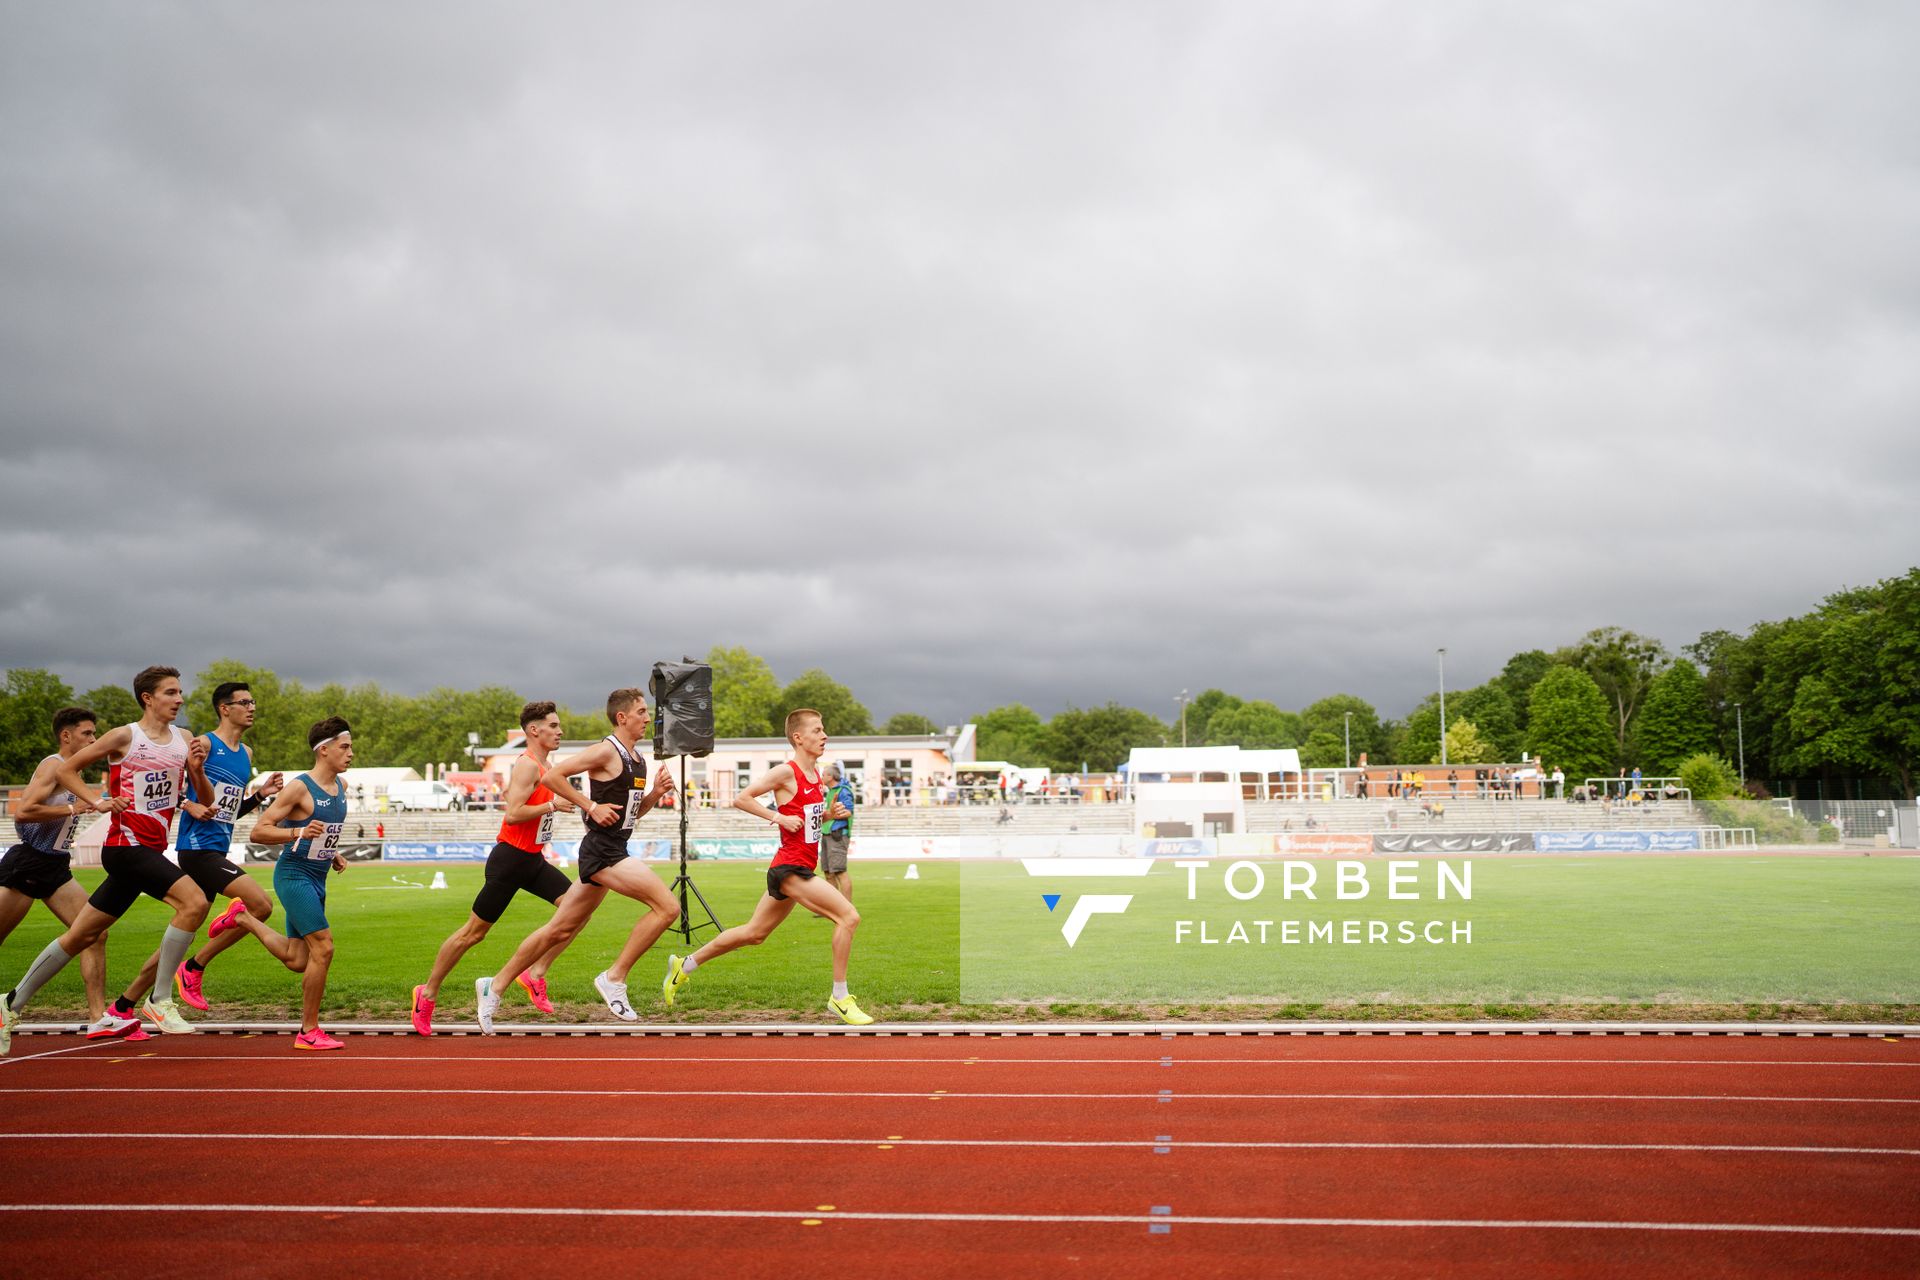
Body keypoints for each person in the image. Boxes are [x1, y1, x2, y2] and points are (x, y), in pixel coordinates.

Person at [0, 666, 210, 1054]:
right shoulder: (122, 737)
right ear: (148, 698)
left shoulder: (184, 739)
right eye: (170, 692)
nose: (179, 699)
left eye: (180, 692)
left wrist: (196, 775)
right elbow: (66, 769)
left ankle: (10, 1002)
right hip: (125, 847)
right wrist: (96, 802)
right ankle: (160, 1000)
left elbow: (206, 798)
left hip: (151, 847)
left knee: (81, 936)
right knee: (194, 901)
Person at [474, 687, 675, 1032]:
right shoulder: (604, 751)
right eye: (641, 712)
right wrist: (590, 805)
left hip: (614, 847)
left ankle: (495, 984)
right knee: (668, 907)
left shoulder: (637, 759)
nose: (647, 718)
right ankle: (614, 978)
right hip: (603, 852)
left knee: (560, 928)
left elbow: (631, 814)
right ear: (622, 717)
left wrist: (655, 793)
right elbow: (553, 776)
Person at [663, 708, 872, 1026]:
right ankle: (840, 997)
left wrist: (829, 816)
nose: (824, 735)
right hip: (790, 869)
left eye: (823, 729)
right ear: (798, 738)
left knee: (754, 933)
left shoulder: (817, 778)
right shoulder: (786, 772)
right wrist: (778, 816)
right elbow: (742, 798)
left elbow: (805, 823)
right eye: (817, 730)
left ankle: (684, 965)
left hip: (800, 866)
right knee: (849, 917)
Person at [412, 701, 579, 1036]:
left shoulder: (548, 764)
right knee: (473, 933)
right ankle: (427, 993)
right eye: (554, 725)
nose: (560, 731)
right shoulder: (527, 765)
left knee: (577, 907)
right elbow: (513, 813)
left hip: (532, 859)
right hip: (509, 860)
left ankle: (534, 974)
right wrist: (552, 804)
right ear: (535, 730)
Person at [126, 681, 285, 1017]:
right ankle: (194, 968)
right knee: (259, 905)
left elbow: (228, 811)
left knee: (178, 937)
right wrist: (188, 805)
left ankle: (124, 1004)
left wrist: (260, 795)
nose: (252, 707)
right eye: (244, 702)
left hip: (217, 848)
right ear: (224, 708)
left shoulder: (246, 754)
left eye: (253, 701)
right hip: (197, 849)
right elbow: (167, 786)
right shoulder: (203, 744)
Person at [0, 706, 137, 1043]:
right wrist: (74, 807)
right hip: (28, 863)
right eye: (87, 733)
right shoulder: (53, 765)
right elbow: (23, 812)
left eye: (94, 733)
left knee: (94, 933)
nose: (93, 739)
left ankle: (97, 1018)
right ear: (66, 736)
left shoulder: (72, 773)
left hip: (55, 866)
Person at [218, 717, 354, 1050]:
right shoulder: (299, 787)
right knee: (324, 948)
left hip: (318, 876)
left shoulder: (342, 788)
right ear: (324, 750)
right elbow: (259, 830)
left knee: (298, 960)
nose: (351, 753)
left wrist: (330, 853)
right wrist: (297, 832)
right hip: (294, 875)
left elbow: (320, 833)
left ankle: (242, 918)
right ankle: (308, 1031)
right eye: (345, 746)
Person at [818, 760, 855, 901]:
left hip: (838, 835)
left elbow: (849, 812)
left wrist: (832, 814)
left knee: (840, 872)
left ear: (830, 777)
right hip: (827, 833)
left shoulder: (843, 791)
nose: (821, 777)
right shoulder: (831, 791)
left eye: (823, 775)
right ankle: (833, 907)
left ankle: (847, 909)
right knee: (828, 873)